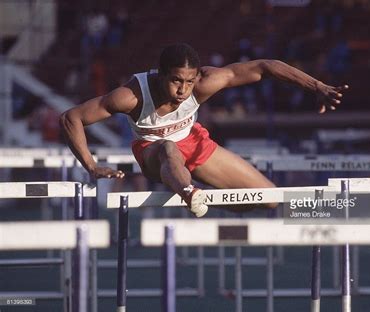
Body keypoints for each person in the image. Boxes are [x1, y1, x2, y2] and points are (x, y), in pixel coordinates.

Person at [60, 43, 348, 217]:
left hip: (194, 142)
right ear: (160, 74)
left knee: (269, 199)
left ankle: (202, 195)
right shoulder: (131, 96)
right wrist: (91, 165)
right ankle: (188, 192)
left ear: (197, 76)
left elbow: (265, 67)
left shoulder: (206, 82)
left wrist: (317, 86)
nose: (182, 90)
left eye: (188, 81)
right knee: (168, 149)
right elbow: (71, 118)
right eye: (175, 81)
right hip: (152, 151)